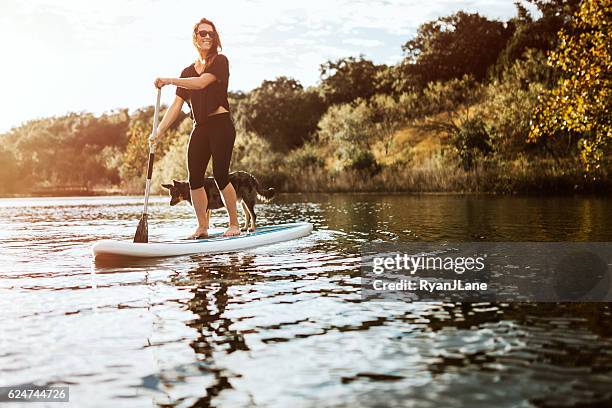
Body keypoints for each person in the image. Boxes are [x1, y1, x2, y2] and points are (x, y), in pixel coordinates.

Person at [150, 17, 240, 238]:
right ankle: (202, 227)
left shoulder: (220, 61)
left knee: (220, 175)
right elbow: (176, 105)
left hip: (221, 125)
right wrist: (158, 132)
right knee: (194, 179)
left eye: (211, 33)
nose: (207, 36)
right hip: (200, 127)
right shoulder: (187, 70)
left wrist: (170, 80)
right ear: (195, 38)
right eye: (202, 33)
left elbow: (200, 83)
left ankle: (234, 224)